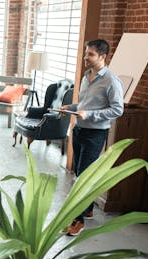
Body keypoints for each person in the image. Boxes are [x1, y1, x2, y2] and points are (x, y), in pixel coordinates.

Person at [61, 39, 123, 236]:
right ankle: (88, 208)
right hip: (79, 130)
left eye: (90, 55)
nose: (85, 58)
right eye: (85, 53)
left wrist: (91, 115)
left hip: (95, 134)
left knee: (82, 178)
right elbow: (84, 105)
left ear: (103, 57)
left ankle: (77, 220)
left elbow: (117, 109)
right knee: (80, 172)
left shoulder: (112, 81)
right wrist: (70, 108)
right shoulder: (87, 76)